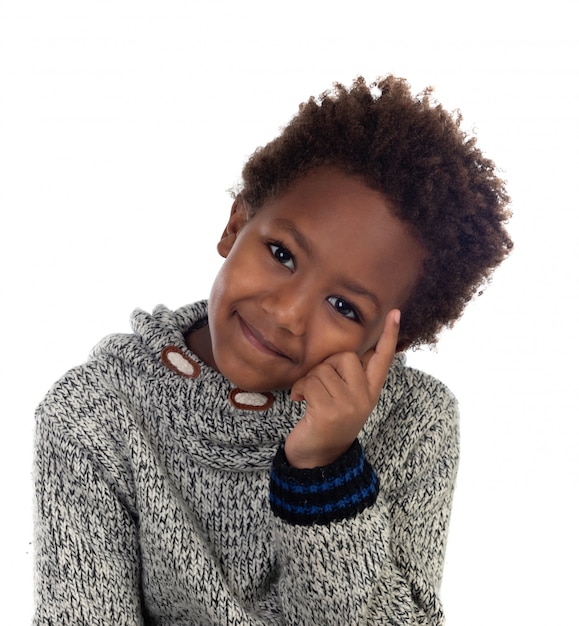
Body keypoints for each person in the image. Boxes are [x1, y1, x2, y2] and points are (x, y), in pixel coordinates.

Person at [33, 75, 512, 625]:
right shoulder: (93, 416)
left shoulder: (415, 421)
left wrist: (323, 469)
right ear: (235, 224)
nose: (287, 313)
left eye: (344, 306)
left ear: (388, 341)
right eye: (282, 253)